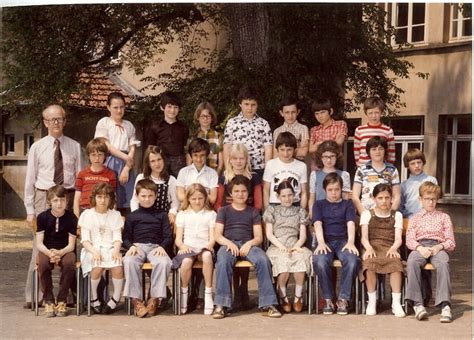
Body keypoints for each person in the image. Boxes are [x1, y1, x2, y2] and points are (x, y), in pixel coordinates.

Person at [24, 104, 82, 308]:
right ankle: (36, 296)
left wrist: (77, 205)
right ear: (46, 122)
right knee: (38, 246)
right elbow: (30, 179)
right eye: (52, 119)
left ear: (65, 121)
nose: (56, 123)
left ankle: (72, 295)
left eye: (60, 119)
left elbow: (79, 177)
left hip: (67, 196)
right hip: (43, 197)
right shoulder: (37, 147)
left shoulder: (74, 146)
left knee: (72, 246)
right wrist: (30, 210)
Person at [213, 175, 281, 319]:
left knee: (263, 260)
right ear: (230, 193)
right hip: (228, 244)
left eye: (243, 191)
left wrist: (249, 244)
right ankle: (221, 305)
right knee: (223, 261)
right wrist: (228, 243)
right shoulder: (223, 211)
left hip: (248, 244)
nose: (240, 194)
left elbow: (258, 237)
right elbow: (218, 235)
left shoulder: (253, 212)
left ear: (248, 193)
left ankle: (268, 303)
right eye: (236, 191)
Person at [215, 143, 262, 311]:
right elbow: (218, 203)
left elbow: (258, 203)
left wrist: (248, 217)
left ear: (246, 159)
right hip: (228, 222)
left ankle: (244, 291)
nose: (238, 161)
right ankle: (236, 293)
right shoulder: (224, 177)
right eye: (235, 158)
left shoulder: (254, 177)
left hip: (249, 221)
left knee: (247, 254)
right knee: (229, 256)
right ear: (230, 160)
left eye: (241, 158)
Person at [405, 182, 456, 323]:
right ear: (420, 199)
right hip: (420, 246)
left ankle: (444, 305)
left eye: (434, 199)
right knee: (412, 261)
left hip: (438, 247)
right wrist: (419, 248)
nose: (431, 202)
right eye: (427, 199)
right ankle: (417, 304)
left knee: (443, 263)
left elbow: (451, 241)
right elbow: (409, 239)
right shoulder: (415, 218)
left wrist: (438, 247)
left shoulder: (444, 217)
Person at [122, 179, 173, 318]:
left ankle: (154, 299)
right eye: (143, 196)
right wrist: (130, 246)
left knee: (163, 262)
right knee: (129, 261)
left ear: (156, 196)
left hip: (156, 247)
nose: (147, 199)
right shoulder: (132, 216)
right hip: (137, 246)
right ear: (137, 196)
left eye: (150, 196)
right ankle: (136, 301)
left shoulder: (162, 215)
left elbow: (168, 236)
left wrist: (163, 246)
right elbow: (125, 237)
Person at [312, 173, 360, 315]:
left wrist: (351, 242)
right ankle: (328, 299)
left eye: (337, 189)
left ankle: (343, 299)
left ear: (341, 189)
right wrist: (320, 243)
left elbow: (351, 223)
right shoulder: (319, 205)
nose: (334, 193)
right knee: (320, 261)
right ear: (325, 190)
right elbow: (317, 224)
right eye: (330, 190)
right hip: (325, 241)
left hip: (343, 241)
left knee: (352, 260)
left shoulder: (348, 204)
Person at [263, 181, 312, 313]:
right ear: (278, 197)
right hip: (277, 245)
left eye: (290, 195)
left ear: (294, 195)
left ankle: (297, 297)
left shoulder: (300, 211)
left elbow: (303, 236)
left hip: (295, 244)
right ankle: (283, 296)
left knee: (301, 259)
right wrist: (281, 246)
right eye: (284, 196)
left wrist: (296, 246)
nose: (287, 198)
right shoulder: (272, 210)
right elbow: (269, 234)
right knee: (283, 261)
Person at [360, 183, 405, 317]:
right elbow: (364, 238)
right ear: (374, 199)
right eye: (380, 198)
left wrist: (393, 248)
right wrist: (368, 248)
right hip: (372, 246)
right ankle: (372, 301)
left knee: (396, 263)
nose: (384, 201)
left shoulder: (397, 215)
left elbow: (398, 239)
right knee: (369, 263)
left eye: (387, 197)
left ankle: (396, 303)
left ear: (391, 198)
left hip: (390, 246)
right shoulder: (367, 214)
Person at [79, 183, 124, 314]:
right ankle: (94, 298)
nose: (103, 200)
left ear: (110, 199)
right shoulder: (87, 214)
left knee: (118, 266)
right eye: (99, 197)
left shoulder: (115, 215)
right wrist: (94, 252)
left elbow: (117, 237)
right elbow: (85, 240)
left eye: (106, 197)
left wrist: (116, 250)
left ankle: (115, 298)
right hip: (92, 249)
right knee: (97, 266)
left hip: (111, 248)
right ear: (94, 198)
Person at [172, 184, 216, 315]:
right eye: (194, 198)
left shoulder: (211, 214)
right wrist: (182, 246)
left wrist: (210, 244)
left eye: (200, 198)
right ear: (188, 199)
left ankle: (208, 293)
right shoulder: (182, 214)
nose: (197, 201)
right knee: (186, 262)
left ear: (205, 198)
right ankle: (184, 293)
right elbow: (178, 239)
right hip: (188, 247)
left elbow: (212, 238)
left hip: (203, 247)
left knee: (207, 257)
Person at [94, 92, 140, 211]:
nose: (119, 110)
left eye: (122, 107)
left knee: (127, 198)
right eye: (115, 107)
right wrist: (126, 158)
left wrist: (127, 167)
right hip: (110, 161)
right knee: (110, 194)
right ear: (108, 107)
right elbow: (107, 146)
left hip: (127, 164)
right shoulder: (104, 122)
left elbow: (132, 147)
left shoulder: (129, 125)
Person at [36, 185, 77, 317]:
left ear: (67, 201)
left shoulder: (72, 218)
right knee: (42, 263)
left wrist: (60, 253)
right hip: (47, 249)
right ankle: (48, 300)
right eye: (55, 200)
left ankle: (62, 300)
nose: (59, 204)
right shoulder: (42, 217)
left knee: (70, 263)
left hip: (65, 250)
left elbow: (71, 245)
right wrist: (50, 253)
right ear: (49, 202)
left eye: (62, 200)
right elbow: (39, 243)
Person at [223, 85, 273, 177]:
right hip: (237, 169)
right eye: (246, 104)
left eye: (253, 105)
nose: (249, 108)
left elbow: (268, 149)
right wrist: (228, 170)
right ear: (240, 104)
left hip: (258, 169)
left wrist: (267, 172)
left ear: (257, 105)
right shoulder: (232, 123)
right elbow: (227, 147)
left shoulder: (264, 124)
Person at [130, 145, 179, 225]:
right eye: (153, 161)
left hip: (162, 220)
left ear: (163, 160)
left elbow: (175, 202)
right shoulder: (141, 177)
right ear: (148, 163)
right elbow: (134, 200)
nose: (157, 164)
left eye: (159, 159)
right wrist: (136, 216)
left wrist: (172, 212)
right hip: (143, 218)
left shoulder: (171, 180)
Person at [352, 136, 401, 215]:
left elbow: (397, 197)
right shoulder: (361, 170)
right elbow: (355, 196)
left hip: (386, 214)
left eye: (381, 149)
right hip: (366, 213)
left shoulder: (392, 170)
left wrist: (390, 214)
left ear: (385, 151)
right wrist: (363, 214)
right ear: (369, 152)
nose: (377, 152)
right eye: (374, 149)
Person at [145, 91, 189, 177]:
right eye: (169, 106)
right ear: (162, 107)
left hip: (178, 163)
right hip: (160, 162)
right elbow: (150, 148)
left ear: (179, 109)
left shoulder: (183, 127)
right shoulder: (154, 127)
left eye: (175, 107)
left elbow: (184, 145)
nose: (172, 110)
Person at [73, 138, 117, 218]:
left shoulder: (111, 174)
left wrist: (112, 216)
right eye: (93, 155)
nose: (97, 158)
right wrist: (77, 218)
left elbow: (113, 197)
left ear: (105, 156)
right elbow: (76, 199)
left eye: (100, 155)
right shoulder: (82, 174)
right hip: (85, 211)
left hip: (104, 212)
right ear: (88, 156)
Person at [263, 132, 308, 209]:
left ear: (295, 149)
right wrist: (267, 210)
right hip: (275, 204)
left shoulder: (302, 166)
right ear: (277, 149)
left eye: (289, 150)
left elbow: (304, 192)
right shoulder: (270, 164)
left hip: (294, 204)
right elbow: (266, 190)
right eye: (282, 150)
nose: (285, 153)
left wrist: (302, 211)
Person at [308, 140, 351, 219]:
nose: (328, 160)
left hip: (338, 214)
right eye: (325, 156)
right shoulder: (314, 175)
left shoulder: (344, 175)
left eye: (332, 156)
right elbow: (312, 197)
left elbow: (345, 198)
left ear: (337, 157)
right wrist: (311, 211)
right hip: (320, 213)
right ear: (320, 157)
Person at [353, 96, 395, 167]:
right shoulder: (359, 130)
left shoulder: (388, 131)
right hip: (364, 167)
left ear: (381, 112)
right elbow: (356, 152)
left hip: (382, 168)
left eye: (376, 112)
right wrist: (360, 166)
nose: (374, 116)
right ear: (366, 113)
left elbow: (391, 153)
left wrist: (389, 167)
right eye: (370, 113)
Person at [176, 138, 218, 205]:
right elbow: (180, 196)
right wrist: (200, 198)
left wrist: (193, 198)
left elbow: (213, 198)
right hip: (187, 208)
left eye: (202, 155)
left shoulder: (212, 173)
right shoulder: (183, 172)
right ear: (191, 156)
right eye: (195, 155)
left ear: (207, 155)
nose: (199, 159)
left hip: (205, 209)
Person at [308, 98, 347, 168]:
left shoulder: (340, 124)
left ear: (331, 111)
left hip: (335, 164)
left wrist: (318, 143)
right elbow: (311, 149)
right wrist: (331, 141)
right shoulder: (314, 130)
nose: (319, 116)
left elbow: (339, 142)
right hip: (317, 165)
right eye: (317, 114)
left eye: (323, 112)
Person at [400, 148, 438, 219]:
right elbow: (400, 206)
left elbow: (434, 200)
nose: (416, 166)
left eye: (419, 162)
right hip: (410, 220)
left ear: (423, 162)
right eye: (412, 163)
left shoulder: (431, 180)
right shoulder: (404, 185)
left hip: (428, 220)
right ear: (407, 166)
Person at [187, 102, 224, 174]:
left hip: (213, 173)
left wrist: (217, 174)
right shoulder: (193, 137)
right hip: (197, 174)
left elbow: (221, 162)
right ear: (198, 117)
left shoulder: (218, 136)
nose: (205, 119)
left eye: (208, 116)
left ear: (212, 118)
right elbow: (189, 160)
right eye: (202, 116)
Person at [272, 97, 309, 161]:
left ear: (298, 112)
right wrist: (295, 151)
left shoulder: (303, 129)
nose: (290, 116)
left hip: (298, 164)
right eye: (287, 112)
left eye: (293, 112)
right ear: (281, 113)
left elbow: (303, 152)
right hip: (281, 165)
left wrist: (282, 151)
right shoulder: (277, 131)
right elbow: (275, 154)